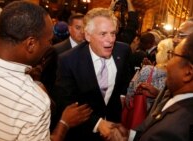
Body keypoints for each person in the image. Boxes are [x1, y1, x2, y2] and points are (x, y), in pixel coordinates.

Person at [0, 1, 91, 141]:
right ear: (31, 44)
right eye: (49, 41)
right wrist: (64, 124)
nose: (50, 45)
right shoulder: (33, 102)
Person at [111, 31, 193, 141]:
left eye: (173, 55)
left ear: (188, 72)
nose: (168, 64)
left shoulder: (173, 131)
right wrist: (129, 135)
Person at [51, 7, 132, 141]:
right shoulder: (68, 60)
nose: (110, 39)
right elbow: (66, 102)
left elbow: (124, 80)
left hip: (114, 129)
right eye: (103, 34)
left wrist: (123, 96)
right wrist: (97, 123)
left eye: (113, 33)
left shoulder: (123, 51)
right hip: (82, 133)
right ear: (88, 36)